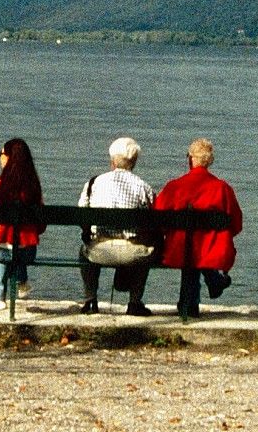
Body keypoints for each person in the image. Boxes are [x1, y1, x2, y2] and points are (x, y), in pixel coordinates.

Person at [153, 137, 242, 320]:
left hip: (177, 249)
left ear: (190, 159)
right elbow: (236, 224)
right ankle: (210, 284)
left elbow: (157, 219)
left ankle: (190, 302)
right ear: (209, 161)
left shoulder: (174, 187)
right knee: (198, 248)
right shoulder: (222, 189)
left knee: (191, 246)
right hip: (211, 250)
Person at [77, 135, 156, 316]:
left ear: (112, 160)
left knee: (83, 252)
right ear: (134, 162)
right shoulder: (144, 187)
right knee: (149, 249)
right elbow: (152, 221)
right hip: (133, 252)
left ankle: (90, 299)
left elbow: (82, 214)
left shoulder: (93, 184)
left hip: (99, 250)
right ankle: (134, 302)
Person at [0, 138, 45, 310]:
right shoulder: (33, 189)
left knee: (2, 254)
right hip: (26, 252)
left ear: (6, 159)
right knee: (16, 249)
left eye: (1, 154)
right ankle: (22, 281)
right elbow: (41, 226)